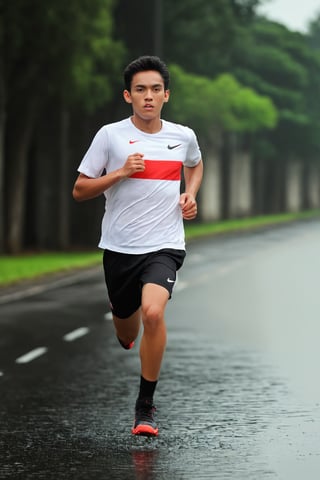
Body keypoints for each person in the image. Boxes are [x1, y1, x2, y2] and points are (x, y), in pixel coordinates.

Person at [72, 55, 203, 436]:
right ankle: (120, 314)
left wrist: (189, 194)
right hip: (120, 249)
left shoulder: (183, 136)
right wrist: (121, 172)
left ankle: (145, 407)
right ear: (128, 96)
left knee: (154, 314)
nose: (149, 96)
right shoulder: (110, 136)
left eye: (156, 90)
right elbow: (80, 190)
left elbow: (195, 164)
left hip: (164, 245)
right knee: (128, 332)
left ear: (167, 95)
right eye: (141, 90)